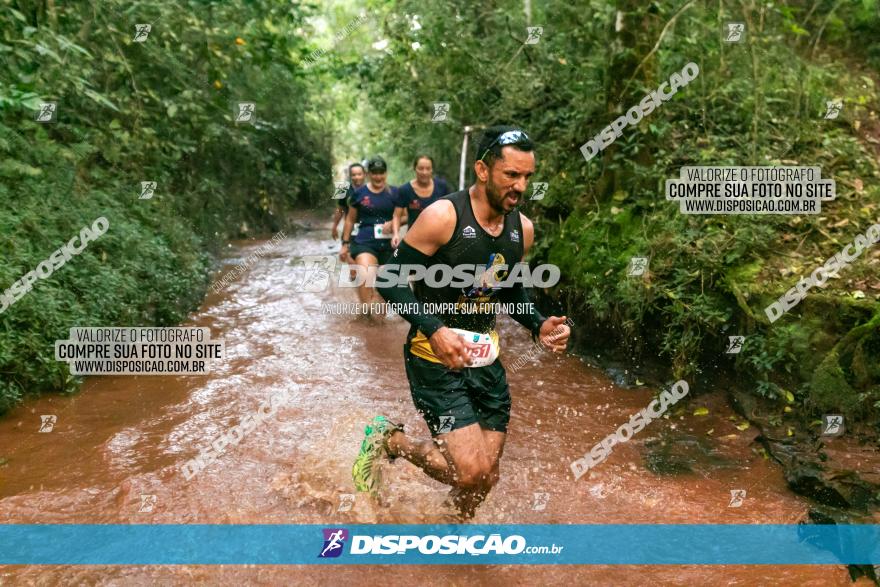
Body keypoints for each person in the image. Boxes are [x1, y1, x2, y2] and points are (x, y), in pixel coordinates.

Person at [351, 127, 571, 518]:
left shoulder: (523, 230)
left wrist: (538, 325)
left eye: (527, 177)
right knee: (471, 473)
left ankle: (444, 540)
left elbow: (509, 290)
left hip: (487, 364)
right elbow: (388, 281)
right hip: (435, 360)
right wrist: (435, 329)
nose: (520, 186)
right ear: (483, 170)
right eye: (511, 175)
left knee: (487, 477)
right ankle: (390, 440)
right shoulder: (442, 217)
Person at [340, 156, 399, 311]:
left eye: (381, 172)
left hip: (389, 245)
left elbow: (404, 216)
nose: (378, 176)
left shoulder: (395, 193)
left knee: (385, 288)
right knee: (365, 275)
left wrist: (393, 223)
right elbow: (349, 220)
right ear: (368, 174)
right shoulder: (359, 194)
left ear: (386, 173)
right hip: (365, 242)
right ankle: (367, 313)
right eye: (374, 173)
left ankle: (377, 316)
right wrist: (345, 244)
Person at [390, 155, 450, 247]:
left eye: (428, 168)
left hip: (439, 239)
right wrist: (396, 234)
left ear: (432, 170)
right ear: (415, 169)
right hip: (414, 239)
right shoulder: (405, 190)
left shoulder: (442, 187)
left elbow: (450, 212)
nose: (424, 172)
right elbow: (397, 216)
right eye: (420, 168)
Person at [331, 162, 365, 241]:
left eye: (359, 174)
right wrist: (334, 226)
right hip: (349, 227)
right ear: (350, 176)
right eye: (354, 175)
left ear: (364, 175)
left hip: (366, 228)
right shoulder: (342, 188)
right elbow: (339, 209)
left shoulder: (371, 188)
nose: (357, 177)